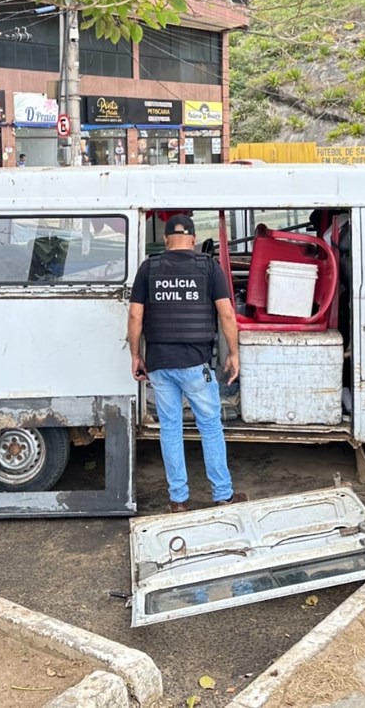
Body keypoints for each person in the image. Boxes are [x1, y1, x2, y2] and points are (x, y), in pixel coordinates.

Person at [127, 214, 246, 513]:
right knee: (210, 427)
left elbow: (135, 316)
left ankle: (178, 500)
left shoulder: (148, 268)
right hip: (194, 363)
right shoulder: (208, 267)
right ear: (193, 239)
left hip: (160, 363)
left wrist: (135, 355)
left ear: (166, 240)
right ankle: (223, 495)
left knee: (170, 428)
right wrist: (233, 353)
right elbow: (227, 315)